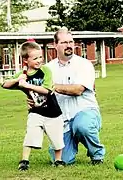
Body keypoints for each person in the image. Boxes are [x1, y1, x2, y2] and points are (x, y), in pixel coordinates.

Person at [27, 28, 105, 165]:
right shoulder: (47, 69)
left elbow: (78, 90)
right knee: (62, 160)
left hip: (85, 111)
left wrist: (51, 87)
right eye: (64, 42)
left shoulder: (84, 64)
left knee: (82, 126)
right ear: (55, 44)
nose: (69, 45)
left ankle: (97, 155)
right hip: (62, 119)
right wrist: (35, 101)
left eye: (71, 42)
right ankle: (70, 145)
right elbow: (42, 95)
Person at [2, 41, 65, 171]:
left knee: (57, 139)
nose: (39, 60)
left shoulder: (45, 70)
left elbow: (47, 90)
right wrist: (18, 80)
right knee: (30, 133)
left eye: (40, 57)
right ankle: (24, 160)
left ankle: (58, 160)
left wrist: (27, 85)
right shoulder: (22, 75)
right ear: (25, 60)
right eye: (35, 58)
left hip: (53, 112)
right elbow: (5, 84)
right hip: (35, 111)